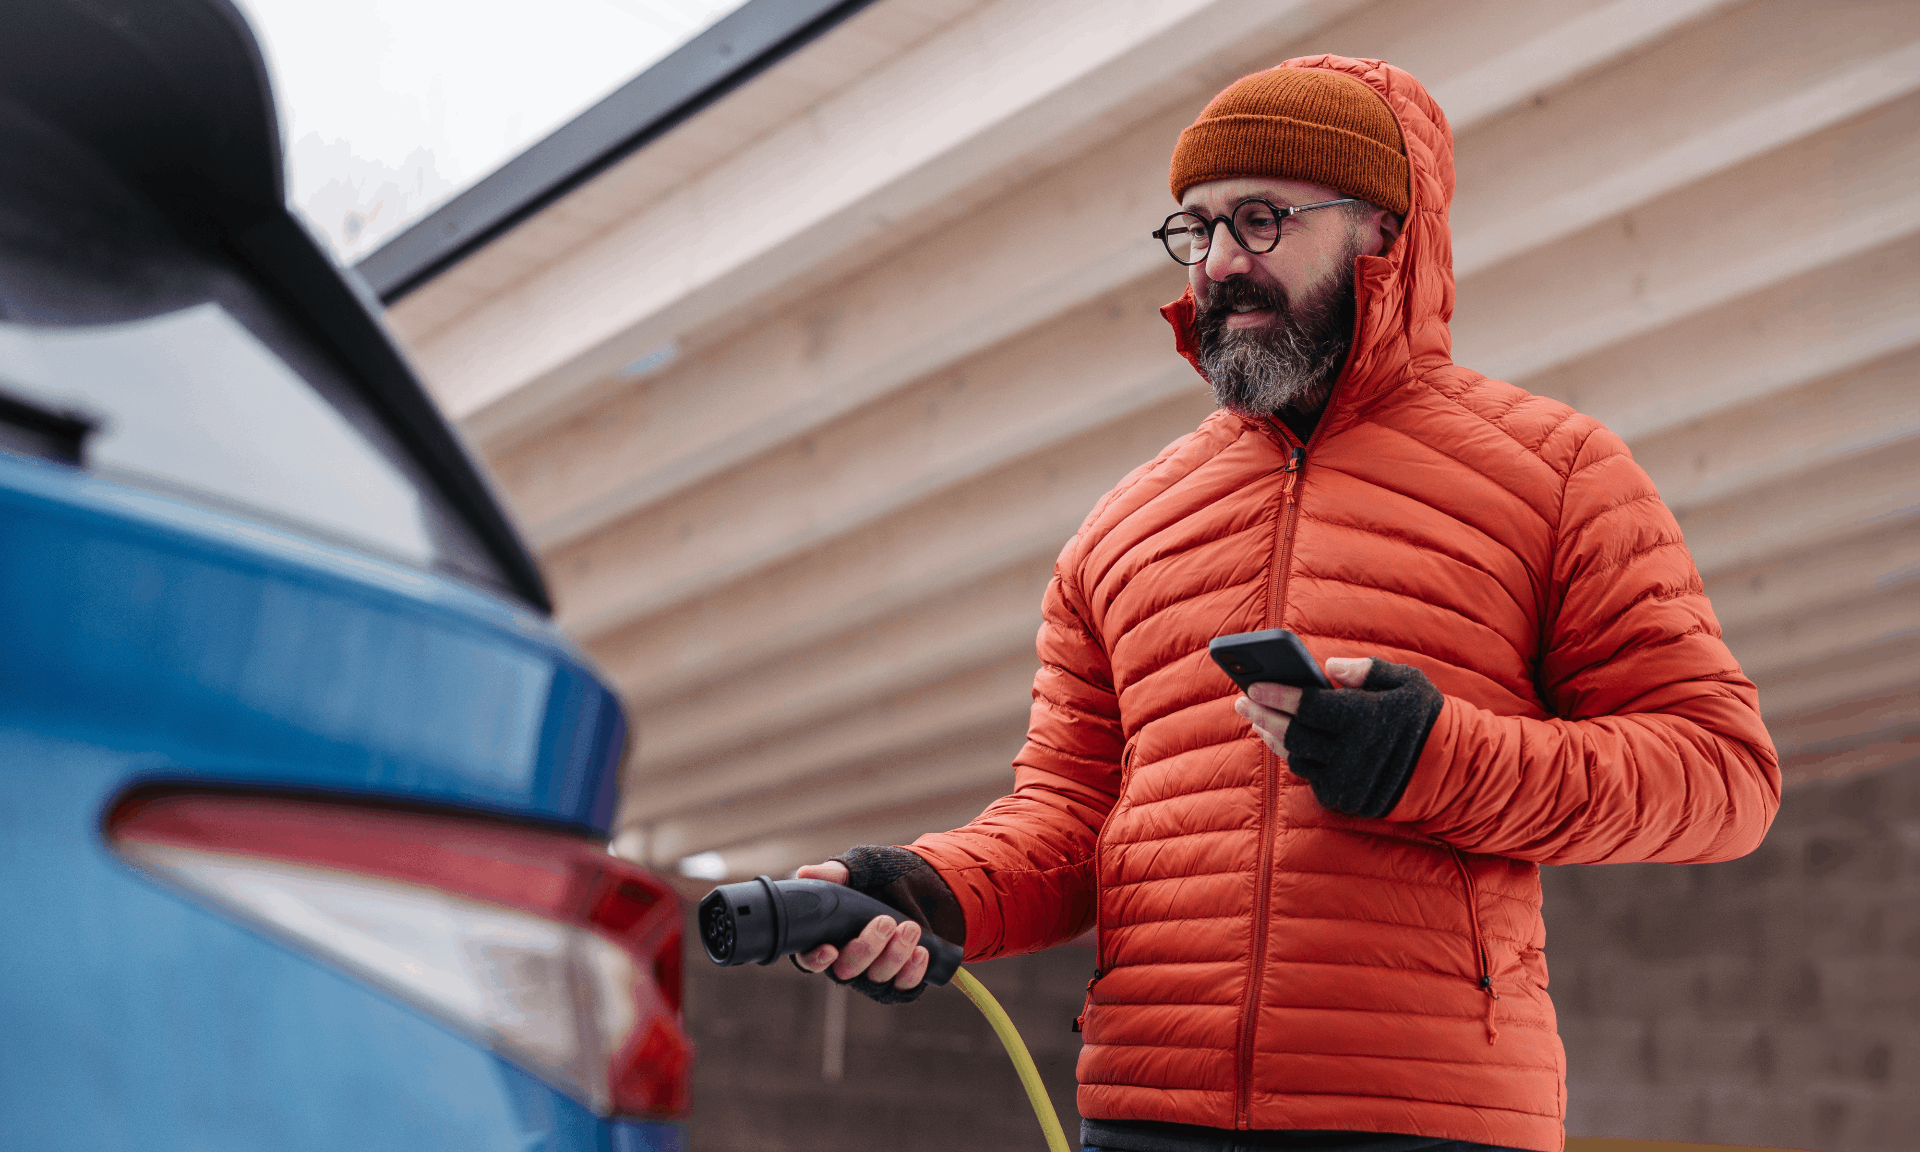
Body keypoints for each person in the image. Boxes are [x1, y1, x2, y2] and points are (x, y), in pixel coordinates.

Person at [793, 55, 1779, 1152]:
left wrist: (1429, 758)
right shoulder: (1123, 530)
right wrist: (932, 891)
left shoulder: (1554, 474)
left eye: (1260, 220)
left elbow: (1721, 778)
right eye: (1196, 228)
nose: (1217, 264)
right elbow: (1074, 820)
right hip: (1144, 1114)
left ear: (1383, 230)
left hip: (1424, 1118)